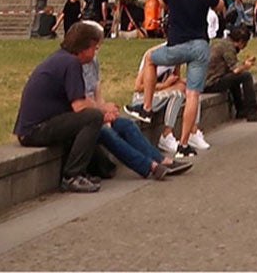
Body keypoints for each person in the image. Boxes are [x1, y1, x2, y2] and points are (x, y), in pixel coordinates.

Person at [14, 21, 112, 193]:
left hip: (35, 126)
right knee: (93, 117)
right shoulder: (71, 63)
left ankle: (93, 169)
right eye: (94, 48)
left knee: (88, 119)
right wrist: (102, 109)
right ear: (83, 48)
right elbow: (80, 106)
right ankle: (72, 175)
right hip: (35, 129)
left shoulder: (62, 59)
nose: (95, 53)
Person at [139, 0, 220, 156]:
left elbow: (164, 4)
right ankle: (184, 143)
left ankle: (147, 107)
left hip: (177, 45)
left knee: (150, 59)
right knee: (193, 94)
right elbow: (220, 6)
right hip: (200, 45)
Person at [80, 33, 188, 182]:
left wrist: (105, 109)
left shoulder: (93, 62)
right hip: (84, 115)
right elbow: (79, 102)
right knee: (108, 133)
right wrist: (102, 113)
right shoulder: (73, 66)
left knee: (127, 125)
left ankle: (161, 160)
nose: (96, 51)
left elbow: (96, 94)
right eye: (94, 48)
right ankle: (150, 166)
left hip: (95, 112)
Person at [205, 23, 257, 122]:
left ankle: (240, 108)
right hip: (211, 82)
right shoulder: (228, 47)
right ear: (241, 41)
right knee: (245, 76)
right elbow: (235, 69)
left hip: (208, 80)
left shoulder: (223, 43)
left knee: (235, 78)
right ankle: (252, 110)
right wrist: (246, 65)